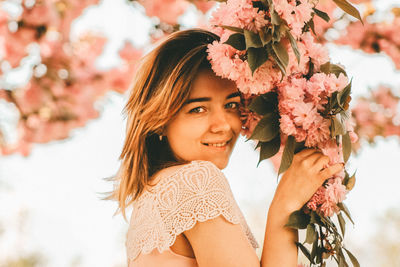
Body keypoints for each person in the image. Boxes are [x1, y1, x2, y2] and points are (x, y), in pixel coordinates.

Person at [109, 29, 344, 267]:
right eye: (198, 109)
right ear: (159, 120)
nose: (223, 125)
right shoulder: (194, 182)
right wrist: (284, 207)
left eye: (231, 104)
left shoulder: (154, 195)